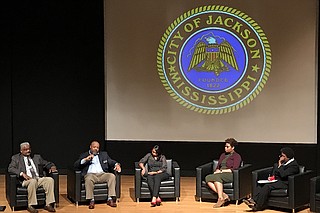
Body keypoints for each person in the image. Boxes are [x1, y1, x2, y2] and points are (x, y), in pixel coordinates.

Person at [243, 147, 299, 211]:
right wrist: (272, 177)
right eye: (281, 155)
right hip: (277, 181)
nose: (281, 157)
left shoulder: (293, 166)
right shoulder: (281, 163)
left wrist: (280, 165)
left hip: (285, 183)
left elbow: (283, 175)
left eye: (283, 156)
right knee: (260, 184)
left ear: (288, 157)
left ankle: (258, 206)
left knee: (267, 186)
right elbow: (274, 173)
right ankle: (253, 200)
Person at [8, 142, 57, 213]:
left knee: (50, 180)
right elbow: (10, 168)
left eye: (29, 149)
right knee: (32, 181)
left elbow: (46, 163)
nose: (28, 151)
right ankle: (30, 205)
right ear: (21, 151)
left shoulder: (36, 157)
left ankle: (48, 204)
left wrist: (52, 166)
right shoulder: (16, 158)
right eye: (25, 149)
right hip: (26, 180)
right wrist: (22, 173)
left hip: (37, 178)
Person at [74, 140, 121, 209]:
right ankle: (91, 200)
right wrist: (85, 160)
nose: (96, 149)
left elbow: (111, 161)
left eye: (97, 147)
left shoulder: (104, 154)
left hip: (102, 174)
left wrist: (117, 164)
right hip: (91, 175)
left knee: (112, 176)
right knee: (89, 178)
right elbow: (76, 165)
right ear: (90, 147)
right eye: (94, 147)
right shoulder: (84, 155)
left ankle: (110, 198)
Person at [205, 138, 242, 208]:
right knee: (208, 178)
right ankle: (224, 195)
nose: (225, 148)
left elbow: (234, 168)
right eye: (225, 146)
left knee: (216, 178)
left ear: (233, 147)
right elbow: (218, 165)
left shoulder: (237, 156)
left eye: (227, 147)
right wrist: (217, 170)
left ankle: (220, 198)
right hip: (221, 173)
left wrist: (221, 171)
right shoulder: (223, 155)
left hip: (230, 174)